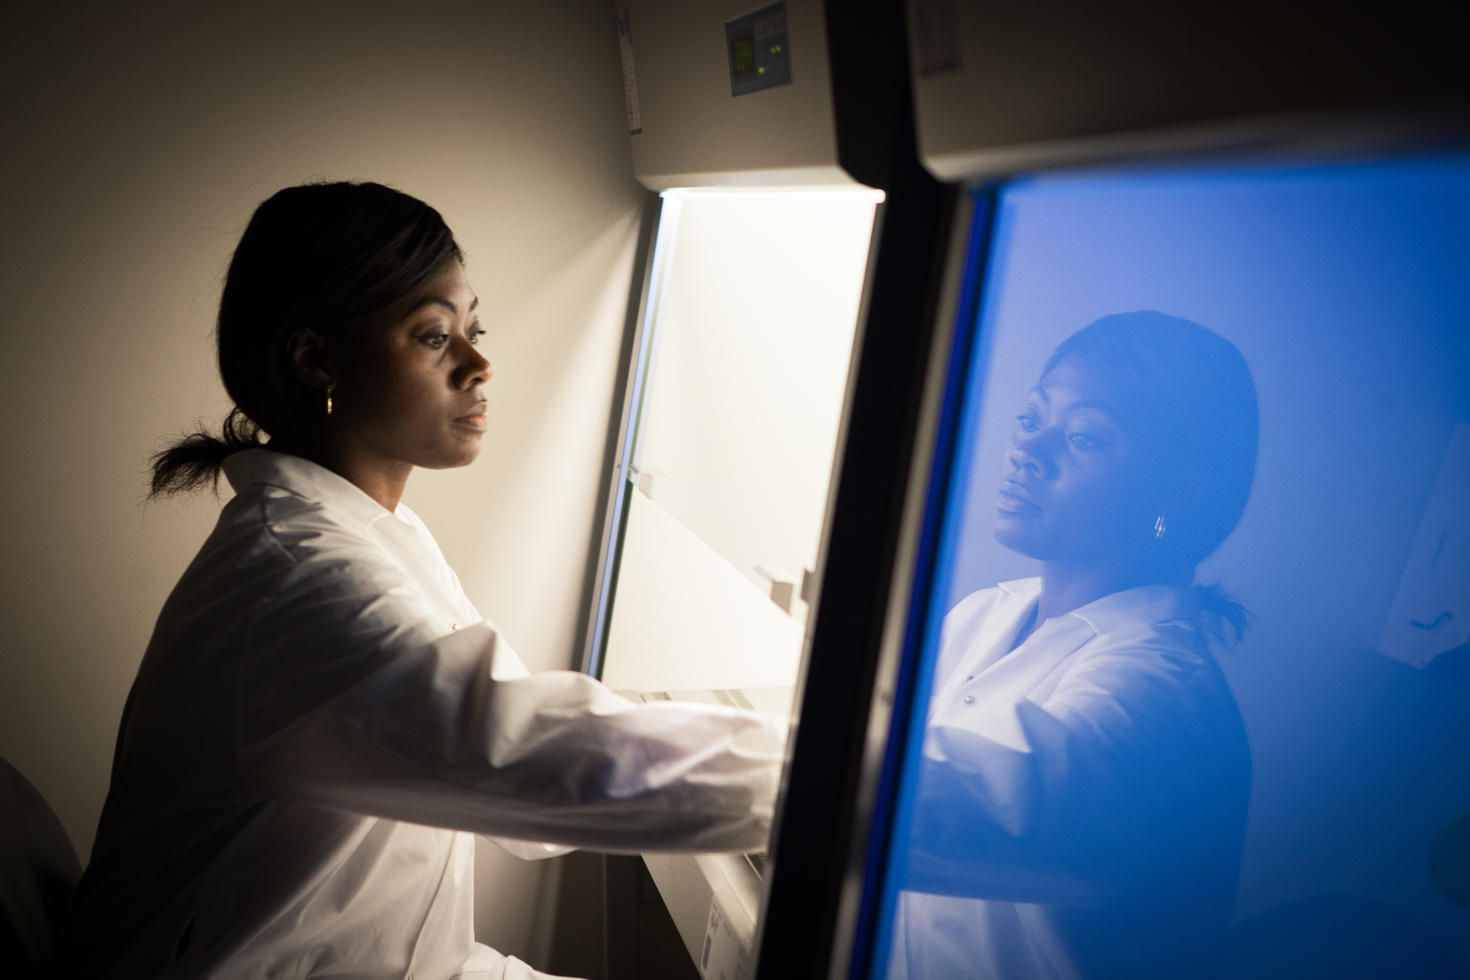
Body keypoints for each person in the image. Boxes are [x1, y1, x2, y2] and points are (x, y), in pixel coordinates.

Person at [67, 181, 786, 979]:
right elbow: (523, 758)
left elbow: (510, 780)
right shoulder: (304, 580)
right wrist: (849, 773)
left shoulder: (368, 534)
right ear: (315, 359)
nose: (479, 364)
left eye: (473, 328)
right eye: (435, 337)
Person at [887, 311, 1258, 979]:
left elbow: (975, 800)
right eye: (1031, 419)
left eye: (1085, 436)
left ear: (1180, 487)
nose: (1028, 449)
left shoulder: (1164, 693)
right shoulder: (980, 615)